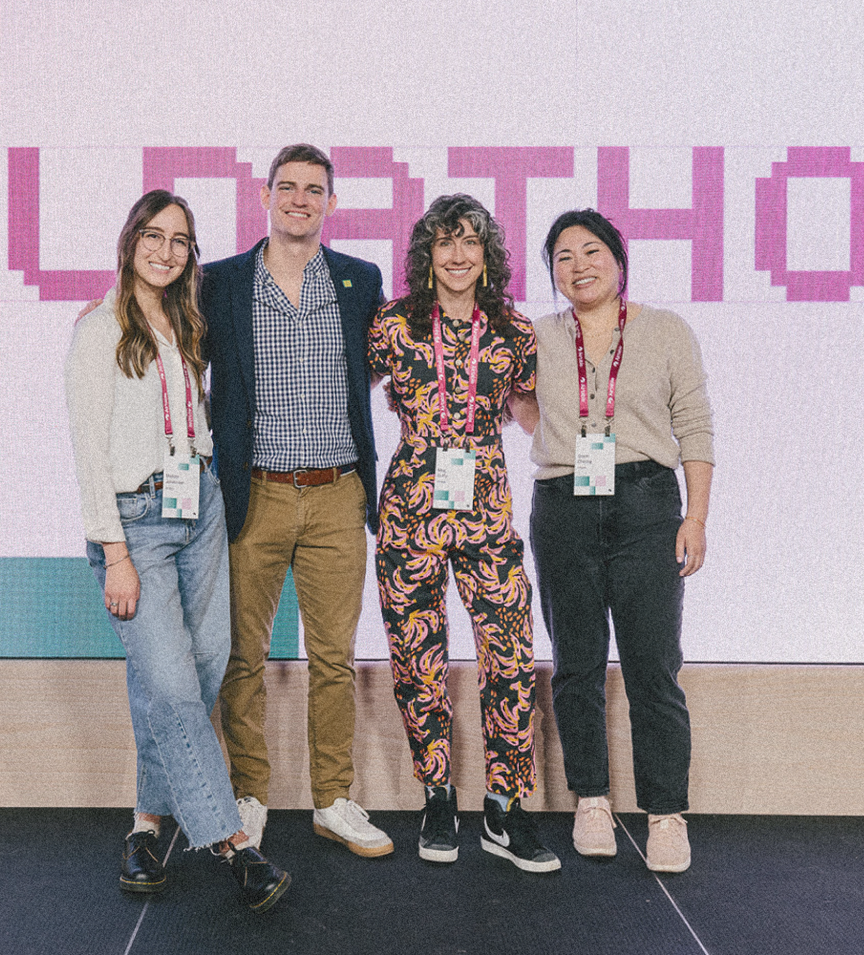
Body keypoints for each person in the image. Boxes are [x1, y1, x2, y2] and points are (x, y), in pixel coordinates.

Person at [65, 190, 290, 912]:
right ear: (130, 240)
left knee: (195, 670)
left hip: (201, 509)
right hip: (136, 523)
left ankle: (145, 825)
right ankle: (233, 843)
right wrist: (115, 553)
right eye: (154, 236)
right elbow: (89, 453)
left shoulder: (188, 320)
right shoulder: (99, 329)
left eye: (180, 240)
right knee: (168, 683)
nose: (166, 251)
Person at [201, 145, 392, 857]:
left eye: (314, 189)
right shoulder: (219, 281)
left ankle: (332, 799)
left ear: (331, 203)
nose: (300, 199)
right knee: (242, 657)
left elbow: (391, 358)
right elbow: (164, 332)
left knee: (334, 658)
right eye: (288, 186)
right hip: (253, 493)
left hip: (338, 492)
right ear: (265, 195)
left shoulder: (359, 280)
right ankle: (248, 795)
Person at [368, 194, 559, 872]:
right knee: (416, 658)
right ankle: (438, 796)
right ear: (427, 253)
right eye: (445, 241)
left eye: (470, 241)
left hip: (486, 507)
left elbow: (531, 408)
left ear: (487, 254)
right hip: (408, 512)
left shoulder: (513, 328)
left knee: (509, 656)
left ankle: (504, 807)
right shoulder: (392, 323)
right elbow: (340, 383)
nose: (457, 254)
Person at [527, 208, 714, 873]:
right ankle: (591, 800)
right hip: (563, 505)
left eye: (591, 251)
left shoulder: (665, 330)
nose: (578, 265)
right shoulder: (537, 336)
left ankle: (665, 812)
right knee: (576, 664)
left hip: (645, 503)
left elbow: (694, 423)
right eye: (563, 257)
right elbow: (517, 404)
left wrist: (695, 517)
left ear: (618, 259)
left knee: (652, 664)